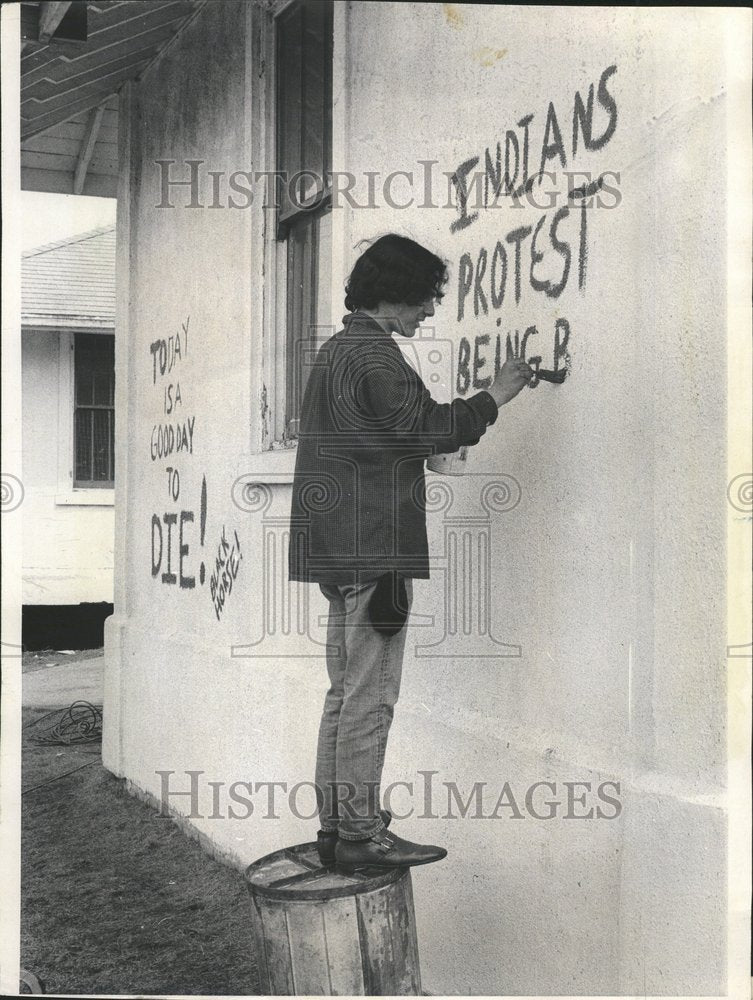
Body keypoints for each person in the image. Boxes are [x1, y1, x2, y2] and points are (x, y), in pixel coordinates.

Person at [288, 234, 534, 872]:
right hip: (376, 549)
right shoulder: (374, 356)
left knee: (346, 693)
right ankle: (363, 835)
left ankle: (337, 831)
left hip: (337, 549)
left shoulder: (337, 352)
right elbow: (427, 427)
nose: (429, 312)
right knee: (371, 696)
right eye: (425, 299)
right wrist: (495, 395)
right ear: (393, 294)